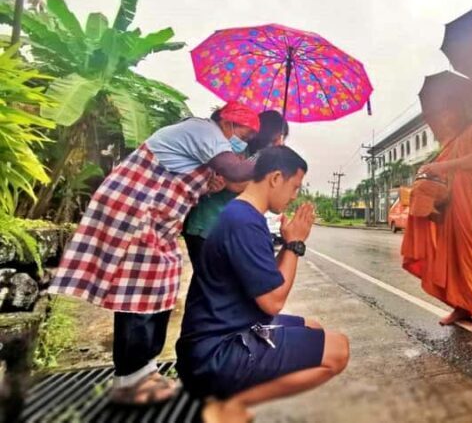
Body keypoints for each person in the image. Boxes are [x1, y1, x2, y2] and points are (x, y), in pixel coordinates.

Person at [49, 102, 263, 405]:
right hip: (135, 210)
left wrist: (208, 187)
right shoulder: (204, 130)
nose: (245, 141)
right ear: (228, 122)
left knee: (159, 289)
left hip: (156, 222)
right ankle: (129, 380)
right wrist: (272, 156)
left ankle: (145, 369)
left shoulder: (210, 143)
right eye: (246, 134)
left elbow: (193, 180)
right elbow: (237, 170)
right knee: (137, 293)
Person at [176, 146, 349, 423]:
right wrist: (295, 244)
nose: (295, 196)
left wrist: (289, 242)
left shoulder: (242, 214)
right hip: (217, 353)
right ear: (276, 178)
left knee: (313, 326)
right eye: (294, 187)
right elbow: (273, 301)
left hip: (221, 334)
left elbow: (268, 278)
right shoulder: (244, 222)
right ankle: (228, 405)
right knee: (338, 350)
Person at [401, 97, 472, 331]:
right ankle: (462, 306)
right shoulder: (455, 138)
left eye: (449, 111)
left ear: (463, 109)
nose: (445, 118)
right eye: (443, 113)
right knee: (452, 256)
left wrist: (441, 166)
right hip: (452, 203)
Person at [183, 110, 288, 276]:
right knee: (210, 282)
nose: (278, 144)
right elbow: (235, 183)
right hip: (207, 226)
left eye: (281, 139)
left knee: (215, 283)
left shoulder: (256, 158)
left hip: (227, 231)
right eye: (275, 139)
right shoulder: (236, 150)